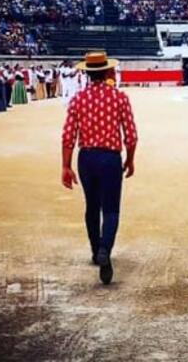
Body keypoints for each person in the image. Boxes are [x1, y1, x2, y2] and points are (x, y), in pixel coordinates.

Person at [61, 51, 138, 286]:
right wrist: (130, 159)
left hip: (86, 158)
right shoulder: (119, 98)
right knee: (111, 210)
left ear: (86, 73)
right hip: (110, 158)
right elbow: (132, 136)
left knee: (91, 207)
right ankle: (105, 248)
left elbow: (68, 136)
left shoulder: (78, 99)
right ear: (107, 73)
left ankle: (96, 251)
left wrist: (65, 166)